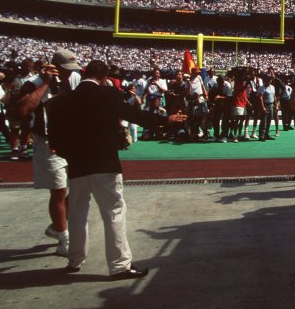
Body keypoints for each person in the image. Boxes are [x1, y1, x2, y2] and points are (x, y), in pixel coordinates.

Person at [48, 60, 187, 279]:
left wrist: (70, 154)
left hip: (76, 165)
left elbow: (54, 137)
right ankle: (119, 265)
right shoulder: (108, 95)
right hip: (105, 163)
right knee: (113, 213)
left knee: (76, 214)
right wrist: (166, 120)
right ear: (104, 78)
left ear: (84, 73)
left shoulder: (61, 100)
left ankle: (74, 260)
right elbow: (136, 116)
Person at [14, 50, 82, 257]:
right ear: (54, 67)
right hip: (47, 141)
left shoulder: (75, 78)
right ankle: (64, 237)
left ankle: (56, 226)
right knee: (59, 190)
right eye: (65, 70)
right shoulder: (34, 83)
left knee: (80, 187)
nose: (69, 74)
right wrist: (45, 82)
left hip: (73, 139)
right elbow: (21, 110)